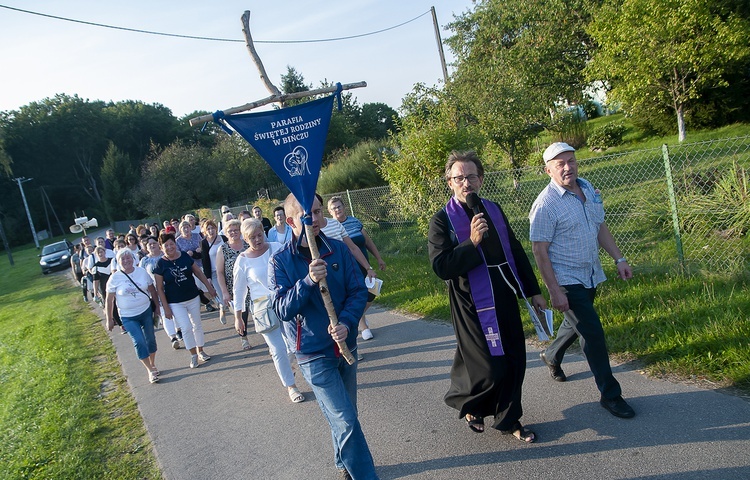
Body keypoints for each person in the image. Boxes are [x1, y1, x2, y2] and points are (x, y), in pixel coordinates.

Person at [428, 150, 546, 442]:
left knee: (515, 359)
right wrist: (472, 242)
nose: (465, 183)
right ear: (449, 182)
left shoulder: (493, 209)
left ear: (480, 179)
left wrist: (533, 291)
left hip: (504, 291)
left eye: (471, 176)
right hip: (470, 301)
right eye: (459, 178)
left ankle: (509, 419)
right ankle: (471, 402)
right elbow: (442, 267)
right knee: (488, 366)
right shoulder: (441, 220)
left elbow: (515, 250)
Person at [270, 193, 377, 480]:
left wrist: (346, 322)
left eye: (318, 212)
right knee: (345, 419)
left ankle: (343, 463)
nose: (316, 219)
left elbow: (358, 292)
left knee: (345, 414)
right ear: (291, 221)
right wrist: (307, 281)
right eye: (308, 215)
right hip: (313, 352)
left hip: (345, 346)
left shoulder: (339, 250)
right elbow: (280, 308)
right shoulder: (281, 261)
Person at [530, 142, 636, 419]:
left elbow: (599, 225)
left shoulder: (587, 189)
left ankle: (551, 355)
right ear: (548, 170)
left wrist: (619, 258)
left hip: (590, 272)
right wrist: (554, 290)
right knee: (592, 333)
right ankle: (611, 395)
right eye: (560, 164)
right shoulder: (545, 205)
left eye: (571, 161)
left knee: (574, 322)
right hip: (566, 278)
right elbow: (539, 251)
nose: (568, 167)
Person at [233, 218, 305, 404]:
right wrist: (238, 317)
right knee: (278, 349)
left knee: (294, 343)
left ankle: (290, 366)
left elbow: (293, 266)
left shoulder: (277, 247)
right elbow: (239, 290)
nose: (258, 240)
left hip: (285, 300)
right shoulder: (242, 261)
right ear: (245, 239)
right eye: (252, 238)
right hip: (263, 308)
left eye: (259, 235)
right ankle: (291, 386)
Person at [153, 232, 217, 369]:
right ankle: (193, 354)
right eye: (166, 245)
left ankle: (201, 351)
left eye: (171, 244)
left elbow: (198, 273)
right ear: (161, 247)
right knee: (186, 328)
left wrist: (209, 287)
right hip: (175, 302)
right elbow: (159, 288)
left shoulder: (184, 256)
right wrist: (166, 308)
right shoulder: (160, 264)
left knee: (197, 325)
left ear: (175, 244)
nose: (170, 247)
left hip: (192, 297)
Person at [327, 196, 386, 341]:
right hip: (347, 269)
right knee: (355, 295)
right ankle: (362, 326)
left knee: (372, 292)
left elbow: (367, 242)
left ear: (344, 207)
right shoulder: (331, 227)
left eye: (339, 206)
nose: (337, 210)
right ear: (329, 211)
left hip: (363, 263)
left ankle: (354, 317)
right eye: (334, 208)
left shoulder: (354, 221)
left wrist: (378, 258)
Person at [105, 248, 161, 384]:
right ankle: (149, 369)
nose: (126, 261)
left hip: (145, 311)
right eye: (122, 259)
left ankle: (152, 363)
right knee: (139, 341)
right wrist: (109, 320)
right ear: (118, 262)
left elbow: (152, 290)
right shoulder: (115, 278)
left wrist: (157, 308)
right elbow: (109, 299)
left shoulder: (141, 272)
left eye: (128, 258)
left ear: (133, 259)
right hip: (128, 316)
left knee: (150, 340)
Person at [140, 236, 182, 350]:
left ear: (158, 245)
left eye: (154, 243)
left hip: (171, 287)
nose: (152, 246)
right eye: (149, 244)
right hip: (156, 290)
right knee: (164, 313)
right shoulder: (144, 261)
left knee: (176, 309)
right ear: (146, 247)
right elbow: (141, 276)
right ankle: (173, 337)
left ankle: (179, 330)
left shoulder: (166, 257)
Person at [216, 219, 251, 350]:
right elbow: (219, 272)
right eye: (230, 231)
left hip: (251, 284)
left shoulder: (247, 244)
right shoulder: (223, 249)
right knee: (242, 312)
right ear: (226, 233)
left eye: (236, 230)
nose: (233, 233)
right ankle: (244, 337)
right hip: (234, 287)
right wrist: (224, 292)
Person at [200, 219, 227, 324]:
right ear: (205, 231)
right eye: (208, 229)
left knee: (231, 294)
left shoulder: (223, 238)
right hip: (215, 273)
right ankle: (222, 308)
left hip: (227, 270)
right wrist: (208, 277)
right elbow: (205, 260)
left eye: (212, 228)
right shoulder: (204, 243)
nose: (211, 231)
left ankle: (236, 316)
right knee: (222, 296)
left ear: (216, 229)